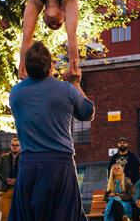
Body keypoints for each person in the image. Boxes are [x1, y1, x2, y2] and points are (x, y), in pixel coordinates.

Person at [8, 41, 95, 221]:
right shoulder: (67, 90)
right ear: (50, 66)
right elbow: (88, 113)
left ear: (26, 66)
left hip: (28, 167)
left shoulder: (15, 93)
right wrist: (75, 82)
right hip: (59, 166)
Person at [0, 139, 21, 221]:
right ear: (10, 146)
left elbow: (27, 172)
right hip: (6, 190)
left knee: (20, 214)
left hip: (19, 190)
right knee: (5, 216)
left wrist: (17, 180)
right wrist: (5, 179)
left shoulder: (24, 157)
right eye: (13, 145)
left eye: (17, 145)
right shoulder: (4, 157)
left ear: (20, 147)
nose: (15, 147)